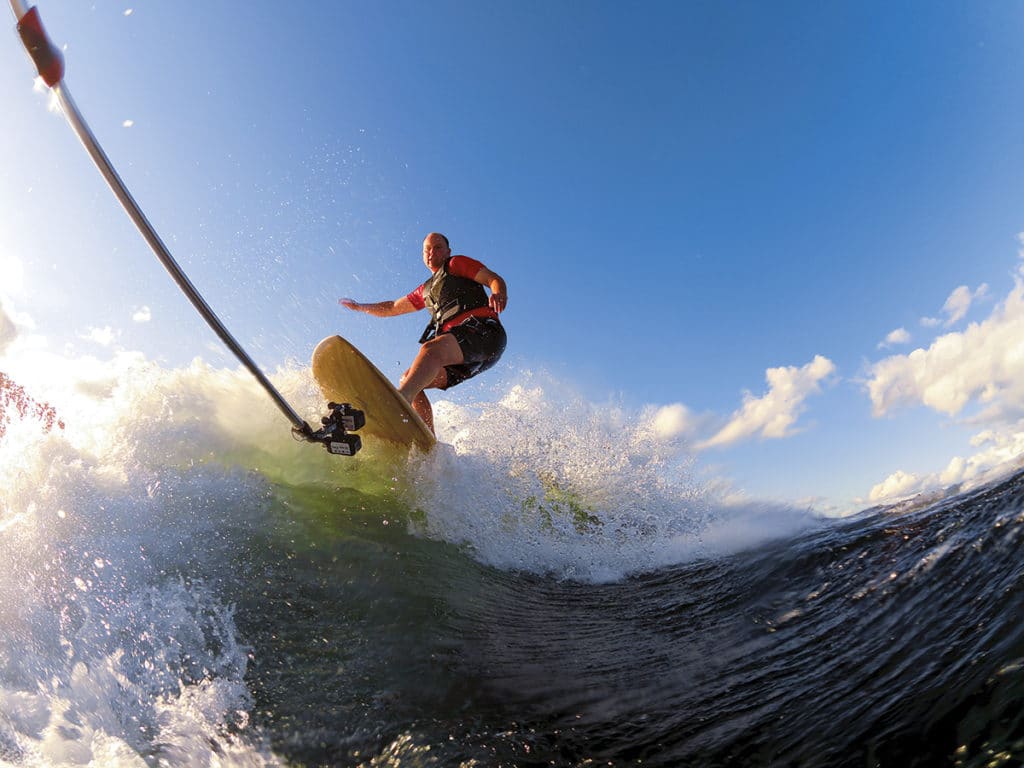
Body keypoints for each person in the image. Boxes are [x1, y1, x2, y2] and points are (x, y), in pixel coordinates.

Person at [339, 232, 508, 434]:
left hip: (485, 334)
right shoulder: (425, 290)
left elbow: (493, 279)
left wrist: (498, 292)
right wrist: (360, 307)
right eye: (427, 249)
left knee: (430, 350)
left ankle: (399, 401)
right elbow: (392, 307)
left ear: (448, 252)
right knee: (410, 378)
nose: (431, 252)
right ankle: (427, 442)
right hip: (464, 357)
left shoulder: (456, 264)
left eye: (437, 247)